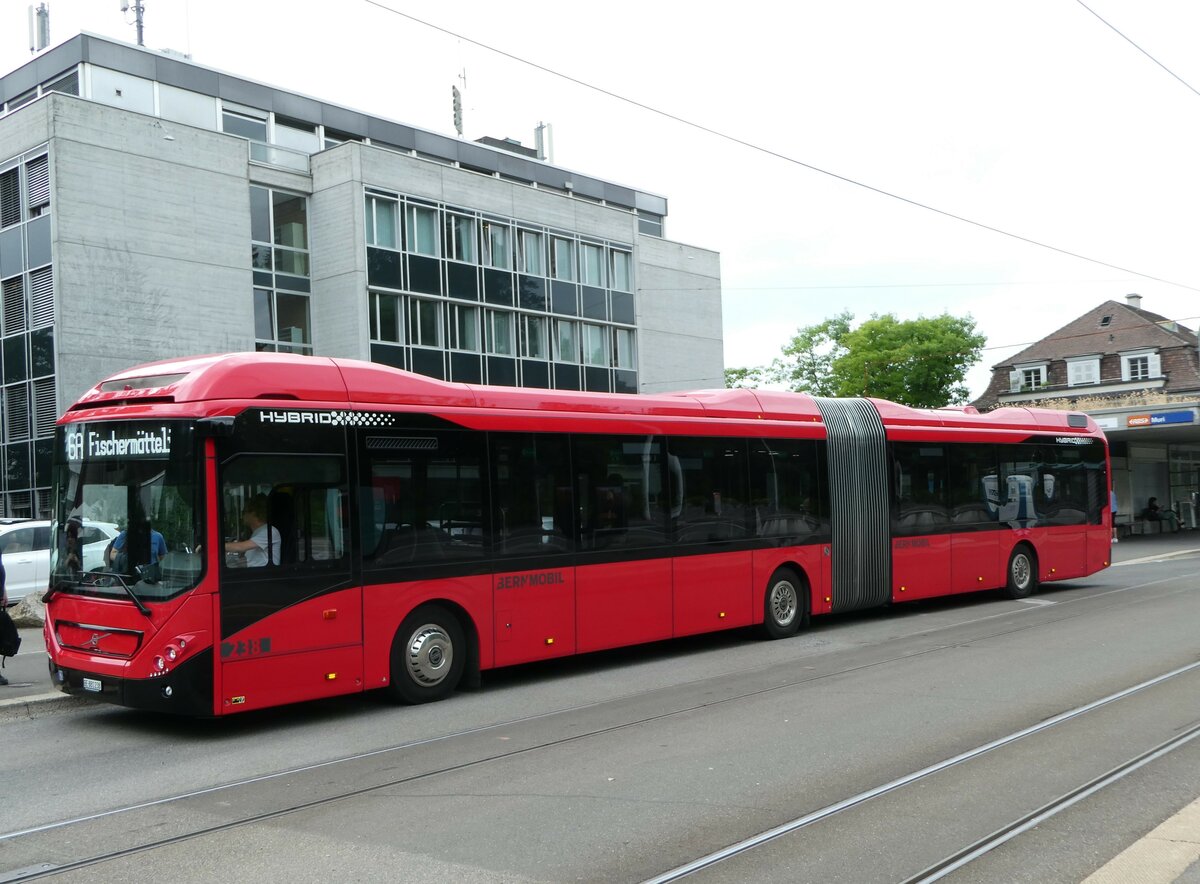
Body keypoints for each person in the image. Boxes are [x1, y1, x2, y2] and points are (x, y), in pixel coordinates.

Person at [224, 495, 280, 567]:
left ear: (253, 513)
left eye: (244, 512)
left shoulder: (269, 531)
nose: (242, 516)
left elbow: (241, 547)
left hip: (263, 576)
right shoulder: (256, 532)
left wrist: (216, 547)